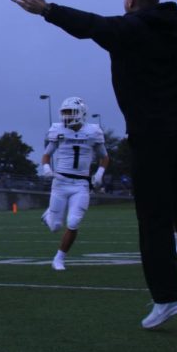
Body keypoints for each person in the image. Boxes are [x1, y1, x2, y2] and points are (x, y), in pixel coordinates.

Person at [11, 0, 177, 329]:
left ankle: (167, 297)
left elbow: (88, 24)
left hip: (151, 135)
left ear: (130, 0)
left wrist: (47, 10)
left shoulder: (129, 29)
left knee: (153, 219)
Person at [37, 97, 109, 271]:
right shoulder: (57, 130)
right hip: (60, 183)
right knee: (55, 227)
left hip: (81, 185)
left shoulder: (93, 132)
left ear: (82, 113)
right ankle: (48, 216)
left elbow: (104, 157)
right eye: (65, 112)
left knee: (74, 221)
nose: (67, 116)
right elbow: (46, 155)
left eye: (71, 112)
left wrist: (99, 174)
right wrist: (46, 167)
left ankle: (59, 258)